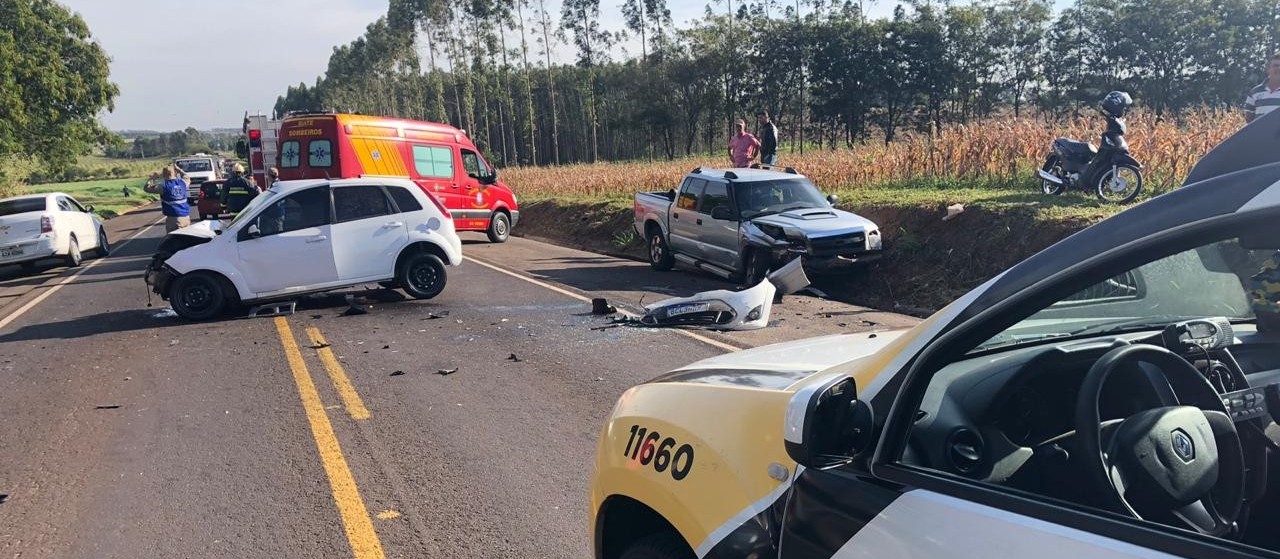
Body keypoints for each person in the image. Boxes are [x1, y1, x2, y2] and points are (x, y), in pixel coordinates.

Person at [144, 166, 191, 232]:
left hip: (173, 218)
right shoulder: (183, 183)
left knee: (173, 240)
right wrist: (179, 169)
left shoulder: (163, 187)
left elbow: (147, 188)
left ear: (163, 175)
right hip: (186, 217)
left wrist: (153, 178)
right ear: (175, 173)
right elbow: (187, 177)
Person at [1243, 52, 1280, 124]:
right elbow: (1249, 119)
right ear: (1268, 70)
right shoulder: (1254, 92)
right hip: (1261, 134)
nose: (1279, 68)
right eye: (1276, 65)